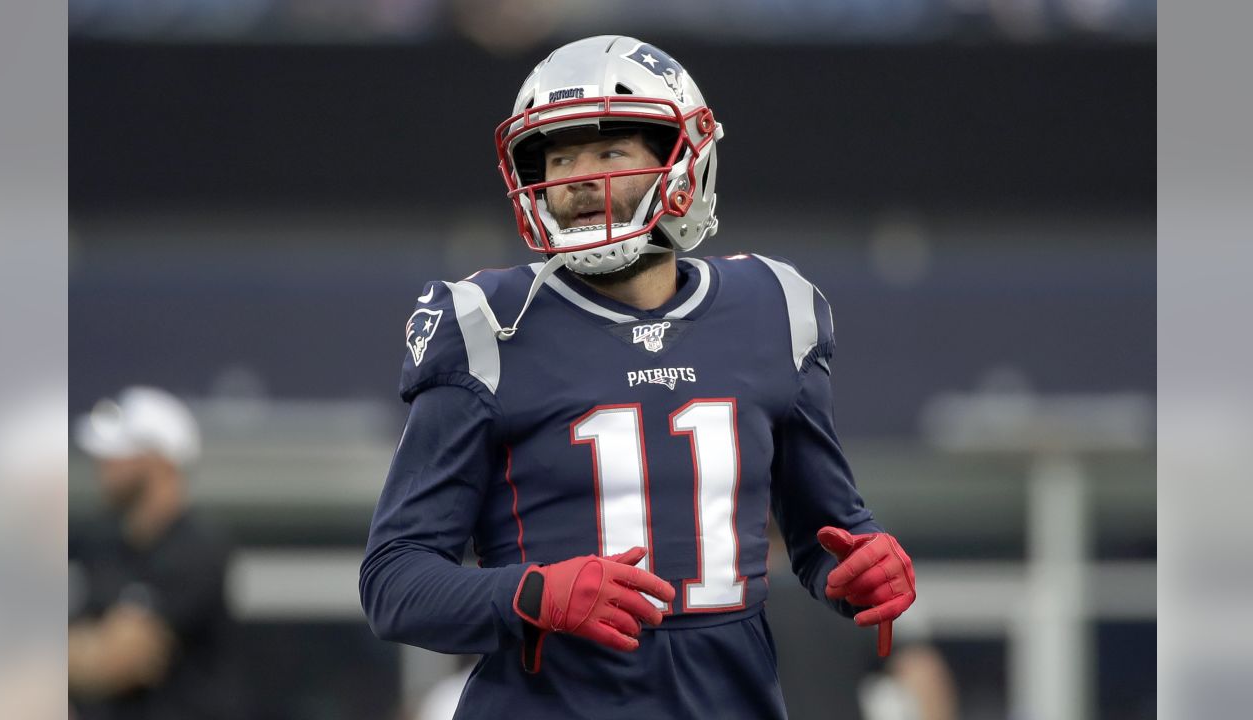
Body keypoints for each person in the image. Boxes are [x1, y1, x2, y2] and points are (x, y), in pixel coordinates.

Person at [360, 35, 916, 718]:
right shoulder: (487, 324)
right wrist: (530, 596)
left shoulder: (773, 306)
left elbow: (827, 532)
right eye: (560, 156)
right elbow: (394, 583)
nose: (577, 180)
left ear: (680, 164)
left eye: (610, 152)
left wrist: (862, 568)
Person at [69, 386, 242, 720]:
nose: (103, 462)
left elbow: (117, 660)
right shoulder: (101, 543)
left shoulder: (196, 547)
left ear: (157, 460)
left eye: (119, 451)